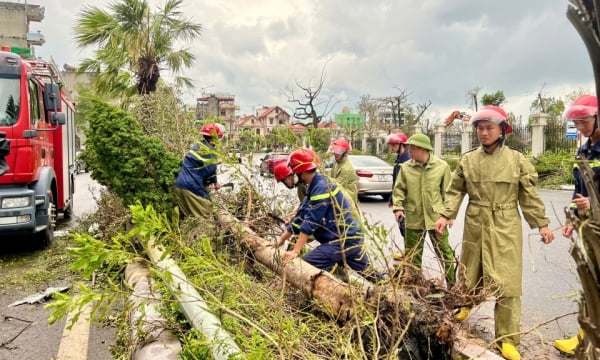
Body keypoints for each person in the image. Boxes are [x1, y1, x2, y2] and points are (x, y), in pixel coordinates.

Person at [433, 105, 555, 360]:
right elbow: (456, 190)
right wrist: (446, 214)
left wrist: (542, 224)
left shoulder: (517, 160)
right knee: (469, 267)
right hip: (476, 220)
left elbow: (529, 195)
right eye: (480, 128)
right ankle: (464, 305)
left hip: (505, 222)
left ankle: (507, 339)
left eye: (489, 128)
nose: (483, 133)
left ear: (502, 131)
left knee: (507, 279)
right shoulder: (468, 160)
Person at [270, 148, 375, 279]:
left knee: (310, 262)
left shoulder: (321, 187)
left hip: (344, 239)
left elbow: (310, 221)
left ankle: (343, 289)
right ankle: (388, 291)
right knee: (369, 273)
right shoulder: (314, 185)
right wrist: (280, 240)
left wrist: (296, 251)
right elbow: (301, 215)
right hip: (349, 237)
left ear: (299, 171)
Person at [553, 95, 599, 355]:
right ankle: (585, 336)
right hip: (587, 227)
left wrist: (593, 207)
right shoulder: (583, 150)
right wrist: (572, 218)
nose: (580, 127)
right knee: (589, 281)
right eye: (576, 123)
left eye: (584, 121)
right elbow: (578, 190)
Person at [392, 133, 456, 286]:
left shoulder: (441, 167)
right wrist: (398, 207)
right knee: (413, 255)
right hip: (414, 217)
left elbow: (447, 192)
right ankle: (415, 286)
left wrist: (449, 215)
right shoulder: (406, 168)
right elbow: (399, 189)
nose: (410, 151)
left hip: (436, 218)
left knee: (444, 252)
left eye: (412, 148)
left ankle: (453, 285)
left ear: (423, 150)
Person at [174, 123, 224, 218]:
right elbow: (211, 171)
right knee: (207, 215)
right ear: (215, 138)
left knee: (190, 218)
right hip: (192, 188)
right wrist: (216, 183)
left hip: (180, 185)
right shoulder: (209, 151)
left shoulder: (197, 146)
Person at [386, 132, 410, 260]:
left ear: (402, 145)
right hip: (399, 198)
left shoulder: (407, 160)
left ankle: (409, 253)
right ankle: (407, 250)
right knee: (402, 226)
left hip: (406, 200)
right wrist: (392, 198)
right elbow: (396, 182)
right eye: (391, 145)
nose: (392, 147)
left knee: (405, 226)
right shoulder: (399, 159)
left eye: (394, 144)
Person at [329, 138, 359, 205]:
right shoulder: (337, 163)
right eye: (335, 150)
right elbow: (331, 176)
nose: (336, 153)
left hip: (347, 199)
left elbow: (336, 184)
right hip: (341, 196)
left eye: (339, 151)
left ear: (344, 153)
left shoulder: (346, 168)